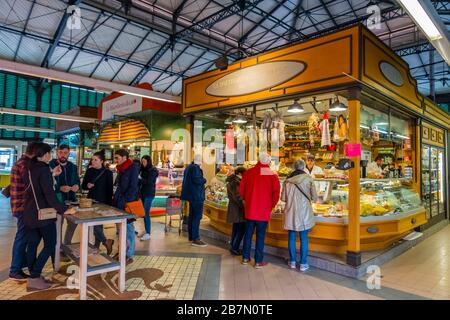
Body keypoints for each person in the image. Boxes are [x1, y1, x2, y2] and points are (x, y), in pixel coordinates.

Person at [23, 143, 76, 291]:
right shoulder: (44, 169)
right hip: (43, 215)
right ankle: (34, 277)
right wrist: (64, 210)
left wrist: (52, 174)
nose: (51, 155)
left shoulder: (30, 167)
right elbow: (49, 195)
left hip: (30, 213)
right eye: (50, 152)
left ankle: (34, 276)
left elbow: (37, 187)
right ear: (45, 154)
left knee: (32, 245)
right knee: (50, 244)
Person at [240, 153, 280, 268]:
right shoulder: (271, 174)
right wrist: (271, 205)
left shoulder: (249, 172)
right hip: (263, 211)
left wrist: (246, 200)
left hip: (250, 210)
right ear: (268, 162)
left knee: (248, 235)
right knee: (260, 236)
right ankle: (258, 261)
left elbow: (241, 190)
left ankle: (245, 258)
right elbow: (276, 193)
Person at [281, 159, 318, 272]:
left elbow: (283, 198)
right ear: (303, 167)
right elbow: (315, 198)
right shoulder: (309, 179)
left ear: (293, 167)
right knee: (304, 238)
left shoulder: (287, 181)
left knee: (291, 237)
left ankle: (292, 261)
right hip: (304, 213)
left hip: (291, 212)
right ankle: (303, 263)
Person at [8, 142, 37, 281]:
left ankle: (21, 264)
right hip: (23, 207)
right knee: (22, 237)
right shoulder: (25, 165)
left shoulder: (21, 162)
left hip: (20, 206)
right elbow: (32, 185)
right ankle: (15, 270)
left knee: (23, 237)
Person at [81, 150, 114, 255]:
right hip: (91, 201)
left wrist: (109, 205)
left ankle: (97, 247)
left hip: (103, 202)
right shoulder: (89, 171)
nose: (93, 162)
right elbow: (83, 186)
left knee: (98, 225)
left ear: (101, 161)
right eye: (92, 160)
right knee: (94, 224)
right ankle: (105, 241)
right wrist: (88, 185)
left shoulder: (108, 173)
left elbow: (109, 189)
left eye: (95, 160)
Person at [49, 144, 80, 246]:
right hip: (58, 201)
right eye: (60, 152)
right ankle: (59, 248)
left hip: (71, 200)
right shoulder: (50, 165)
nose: (63, 155)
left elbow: (77, 181)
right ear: (57, 152)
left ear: (69, 154)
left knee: (73, 224)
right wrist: (60, 188)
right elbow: (46, 185)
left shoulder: (73, 166)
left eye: (65, 153)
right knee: (58, 225)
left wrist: (76, 186)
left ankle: (67, 244)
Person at [113, 149, 139, 264]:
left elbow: (133, 187)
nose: (115, 160)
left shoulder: (132, 168)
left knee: (128, 229)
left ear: (124, 158)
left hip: (126, 204)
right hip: (118, 202)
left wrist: (126, 201)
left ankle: (129, 254)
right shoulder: (121, 169)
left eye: (117, 158)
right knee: (119, 229)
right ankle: (121, 251)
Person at [180, 154, 207, 247]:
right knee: (197, 217)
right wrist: (204, 180)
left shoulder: (189, 167)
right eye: (202, 159)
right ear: (199, 160)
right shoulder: (195, 168)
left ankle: (191, 236)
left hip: (191, 196)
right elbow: (198, 180)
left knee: (192, 216)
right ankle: (196, 238)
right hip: (197, 196)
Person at [226, 166, 246, 256]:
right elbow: (238, 198)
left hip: (235, 209)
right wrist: (245, 206)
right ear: (240, 174)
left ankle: (233, 246)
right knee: (241, 229)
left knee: (236, 229)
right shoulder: (236, 182)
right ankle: (235, 248)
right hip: (238, 210)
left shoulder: (233, 181)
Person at [139, 155, 159, 241]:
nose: (142, 163)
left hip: (149, 194)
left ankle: (148, 233)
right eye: (142, 161)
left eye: (144, 161)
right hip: (143, 193)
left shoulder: (153, 171)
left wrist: (140, 178)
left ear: (148, 161)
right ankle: (146, 230)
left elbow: (149, 182)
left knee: (146, 213)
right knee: (143, 213)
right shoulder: (143, 170)